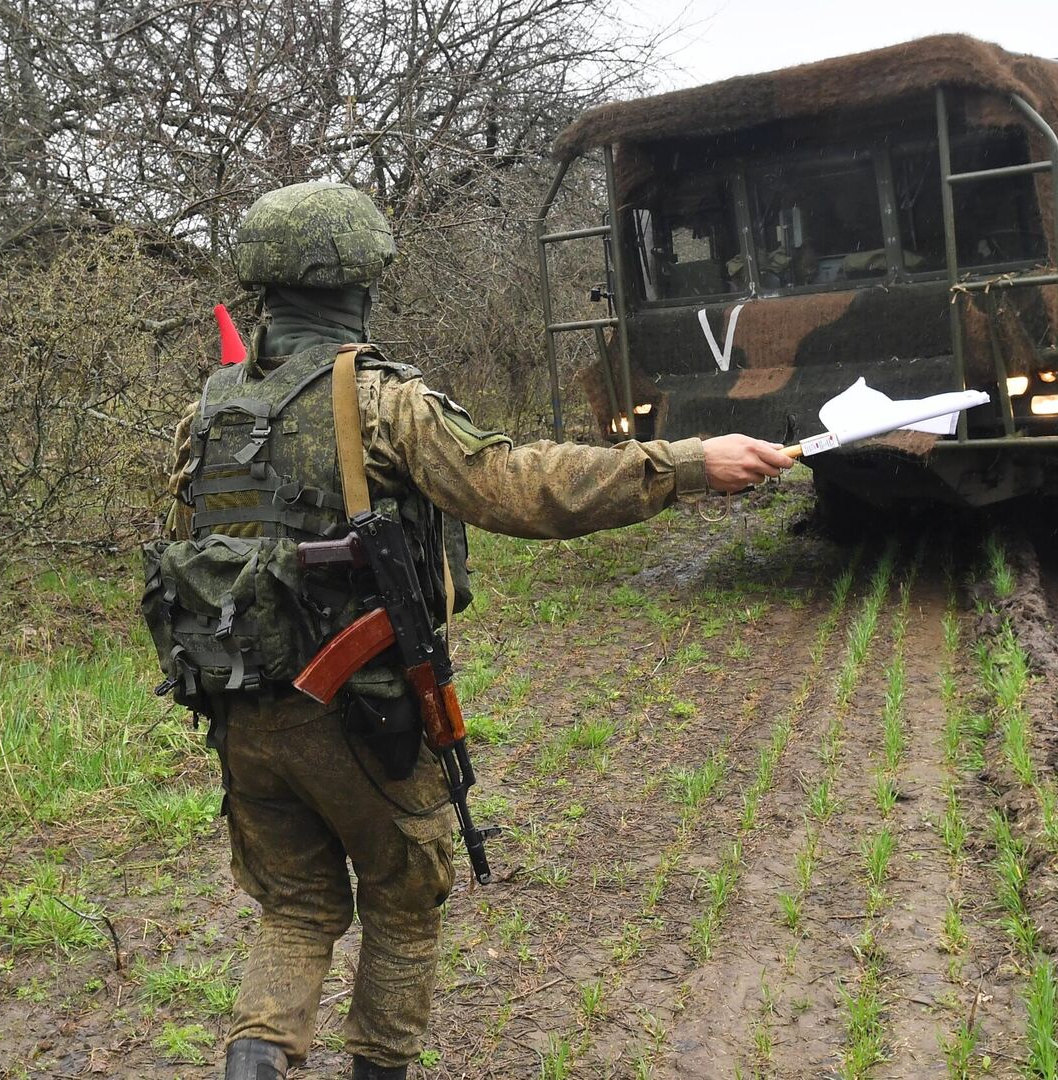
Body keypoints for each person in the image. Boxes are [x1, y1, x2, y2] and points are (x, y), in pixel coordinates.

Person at [147, 181, 791, 1080]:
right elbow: (518, 484)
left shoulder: (206, 411)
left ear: (264, 287)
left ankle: (252, 1062)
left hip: (239, 710)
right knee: (407, 902)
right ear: (361, 282)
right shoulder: (377, 400)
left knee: (295, 909)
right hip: (357, 709)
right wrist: (682, 464)